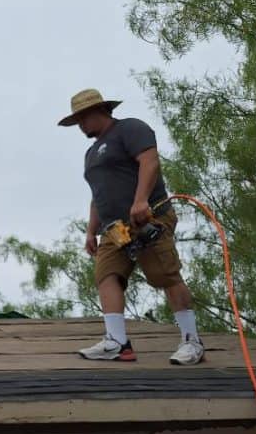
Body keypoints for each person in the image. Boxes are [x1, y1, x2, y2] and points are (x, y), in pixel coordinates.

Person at [59, 88, 204, 365]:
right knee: (106, 275)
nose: (80, 126)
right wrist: (91, 230)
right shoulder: (91, 154)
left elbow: (149, 161)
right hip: (113, 230)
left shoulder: (130, 129)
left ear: (97, 111)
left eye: (82, 119)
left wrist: (140, 201)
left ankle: (191, 341)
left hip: (146, 218)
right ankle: (117, 343)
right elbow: (98, 195)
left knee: (166, 274)